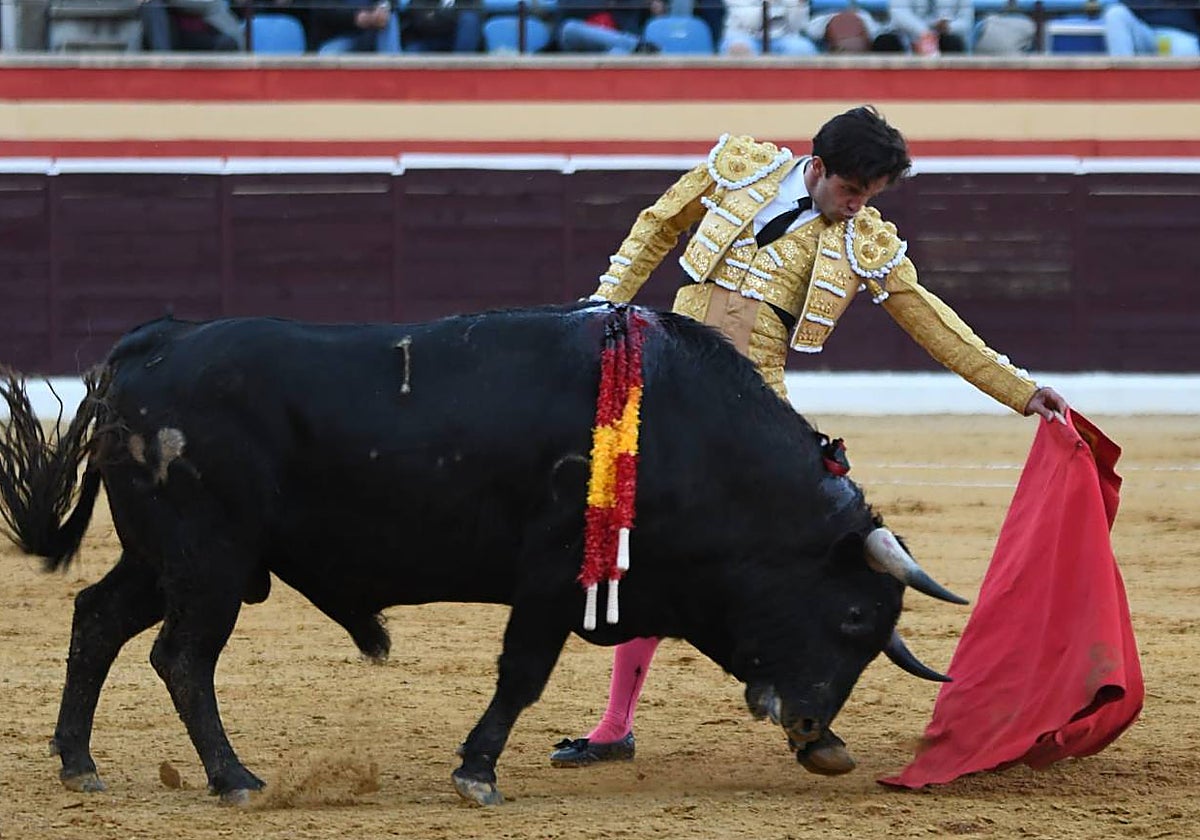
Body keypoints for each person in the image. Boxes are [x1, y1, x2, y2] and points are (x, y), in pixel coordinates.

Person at [550, 105, 1069, 774]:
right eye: (851, 190)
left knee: (794, 557)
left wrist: (1019, 389)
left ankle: (805, 715)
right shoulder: (739, 169)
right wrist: (603, 303)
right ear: (817, 168)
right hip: (668, 388)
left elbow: (931, 321)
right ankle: (615, 725)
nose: (858, 207)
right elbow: (657, 226)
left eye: (870, 196)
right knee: (647, 546)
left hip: (758, 414)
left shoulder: (862, 241)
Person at [1102, 0, 1199, 56]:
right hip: (1142, 30)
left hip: (1178, 33)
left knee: (1185, 48)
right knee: (1115, 13)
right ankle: (1122, 79)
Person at [720, 0, 818, 55]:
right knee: (739, 49)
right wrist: (769, 3)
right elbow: (750, 22)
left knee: (803, 48)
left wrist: (800, 5)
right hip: (743, 35)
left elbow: (798, 26)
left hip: (784, 37)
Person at [877, 0, 973, 53]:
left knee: (952, 43)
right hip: (907, 35)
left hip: (943, 35)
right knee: (885, 42)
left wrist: (948, 27)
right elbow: (899, 14)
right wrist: (924, 33)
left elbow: (966, 22)